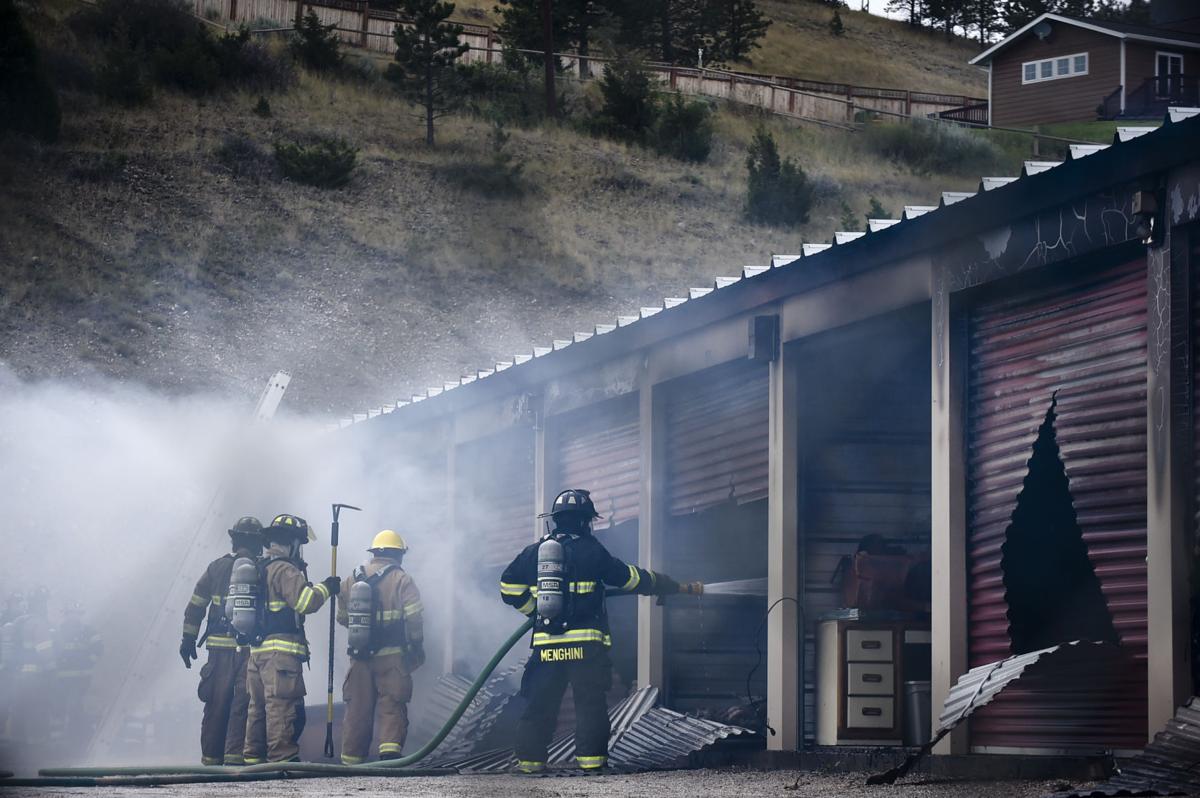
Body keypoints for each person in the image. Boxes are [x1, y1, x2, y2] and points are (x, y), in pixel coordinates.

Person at [499, 488, 698, 774]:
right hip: (585, 648)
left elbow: (508, 587)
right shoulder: (592, 551)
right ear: (584, 521)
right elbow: (629, 578)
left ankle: (530, 764)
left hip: (547, 647)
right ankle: (592, 764)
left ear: (555, 519)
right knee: (589, 705)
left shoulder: (534, 554)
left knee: (540, 704)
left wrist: (535, 611)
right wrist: (663, 583)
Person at [242, 513, 340, 764]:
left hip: (257, 654)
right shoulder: (285, 569)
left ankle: (253, 760)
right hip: (280, 657)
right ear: (293, 542)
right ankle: (282, 759)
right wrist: (326, 588)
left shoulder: (259, 567)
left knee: (258, 708)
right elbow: (305, 603)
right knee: (281, 707)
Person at [179, 516, 264, 765]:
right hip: (250, 649)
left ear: (234, 540)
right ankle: (236, 759)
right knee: (243, 704)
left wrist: (188, 638)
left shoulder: (215, 568)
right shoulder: (263, 568)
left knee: (216, 704)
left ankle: (211, 762)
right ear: (258, 543)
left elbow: (196, 606)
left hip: (218, 650)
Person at [336, 530, 425, 764]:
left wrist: (362, 634)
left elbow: (342, 617)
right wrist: (416, 645)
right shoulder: (402, 579)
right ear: (399, 555)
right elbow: (414, 618)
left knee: (357, 709)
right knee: (392, 704)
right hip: (392, 657)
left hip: (359, 657)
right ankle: (389, 756)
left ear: (374, 552)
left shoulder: (352, 578)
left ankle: (351, 761)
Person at [53, 601, 104, 746]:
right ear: (66, 615)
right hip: (61, 679)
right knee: (62, 707)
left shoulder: (88, 631)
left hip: (81, 678)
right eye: (71, 613)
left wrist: (88, 662)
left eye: (77, 614)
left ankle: (76, 737)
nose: (74, 616)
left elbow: (99, 649)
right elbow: (52, 651)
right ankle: (65, 738)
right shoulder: (58, 632)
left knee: (75, 706)